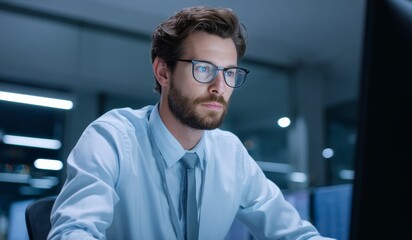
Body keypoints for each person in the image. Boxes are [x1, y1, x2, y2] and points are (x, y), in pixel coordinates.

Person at [48, 6, 335, 240]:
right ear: (163, 72)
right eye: (203, 69)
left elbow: (294, 234)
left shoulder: (230, 153)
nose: (219, 86)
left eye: (230, 73)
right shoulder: (111, 138)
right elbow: (73, 232)